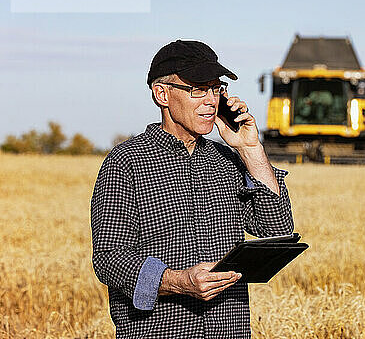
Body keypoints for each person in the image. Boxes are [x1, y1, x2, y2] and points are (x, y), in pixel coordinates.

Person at [90, 40, 294, 338]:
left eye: (216, 88)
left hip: (230, 332)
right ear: (162, 94)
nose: (211, 100)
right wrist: (176, 281)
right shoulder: (126, 162)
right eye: (198, 89)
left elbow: (277, 229)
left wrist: (251, 149)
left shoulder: (227, 160)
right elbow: (109, 258)